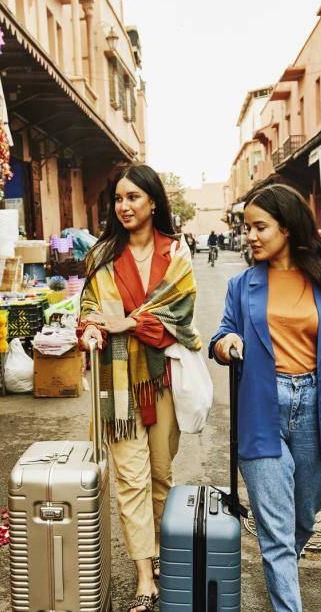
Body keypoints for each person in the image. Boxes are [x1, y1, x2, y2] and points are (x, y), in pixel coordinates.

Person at [212, 184, 321, 612]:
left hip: (314, 407)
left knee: (304, 516)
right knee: (274, 529)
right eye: (246, 227)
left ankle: (285, 560)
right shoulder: (242, 284)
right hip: (261, 407)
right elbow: (221, 335)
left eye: (259, 227)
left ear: (286, 228)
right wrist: (227, 342)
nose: (249, 235)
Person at [78, 165, 201, 612]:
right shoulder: (102, 256)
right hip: (117, 384)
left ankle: (162, 556)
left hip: (162, 379)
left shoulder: (177, 255)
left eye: (133, 197)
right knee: (131, 478)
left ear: (153, 201)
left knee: (161, 476)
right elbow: (90, 310)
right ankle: (144, 576)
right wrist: (91, 330)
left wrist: (129, 322)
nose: (124, 206)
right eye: (118, 198)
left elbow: (181, 318)